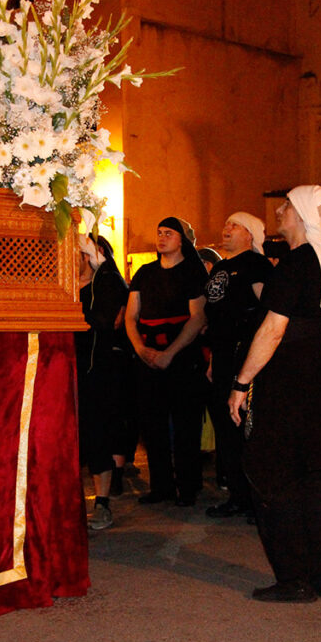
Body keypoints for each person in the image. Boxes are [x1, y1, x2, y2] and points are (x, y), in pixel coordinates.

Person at [227, 185, 321, 603]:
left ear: (300, 213)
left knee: (271, 478)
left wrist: (241, 384)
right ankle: (318, 574)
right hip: (309, 379)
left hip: (283, 384)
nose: (278, 211)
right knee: (306, 479)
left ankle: (294, 576)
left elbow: (272, 330)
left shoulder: (296, 263)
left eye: (286, 206)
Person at [125, 217, 209, 506]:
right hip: (147, 357)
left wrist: (170, 353)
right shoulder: (145, 273)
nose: (161, 238)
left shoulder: (191, 273)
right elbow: (130, 316)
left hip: (182, 357)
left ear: (181, 239)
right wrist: (140, 349)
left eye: (168, 233)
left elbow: (198, 317)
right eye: (159, 233)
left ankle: (187, 486)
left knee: (186, 424)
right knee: (152, 424)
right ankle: (160, 486)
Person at [203, 212, 272, 520]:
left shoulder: (256, 265)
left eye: (234, 225)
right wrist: (215, 358)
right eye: (226, 223)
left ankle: (257, 497)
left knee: (246, 425)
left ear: (250, 234)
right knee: (225, 426)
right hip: (221, 353)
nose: (225, 228)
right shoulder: (219, 267)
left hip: (245, 353)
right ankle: (237, 494)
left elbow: (267, 309)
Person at [76, 234, 130, 530]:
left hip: (97, 370)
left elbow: (106, 319)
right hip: (68, 368)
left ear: (86, 257)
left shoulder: (104, 283)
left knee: (99, 436)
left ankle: (102, 502)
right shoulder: (63, 286)